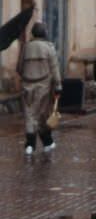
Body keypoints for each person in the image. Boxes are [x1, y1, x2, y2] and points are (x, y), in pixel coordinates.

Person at [17, 22, 62, 155]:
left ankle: (30, 145)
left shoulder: (26, 47)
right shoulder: (49, 48)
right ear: (45, 33)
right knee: (43, 115)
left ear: (33, 33)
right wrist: (58, 85)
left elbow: (19, 68)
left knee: (30, 114)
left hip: (27, 86)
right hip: (44, 86)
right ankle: (47, 142)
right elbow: (55, 68)